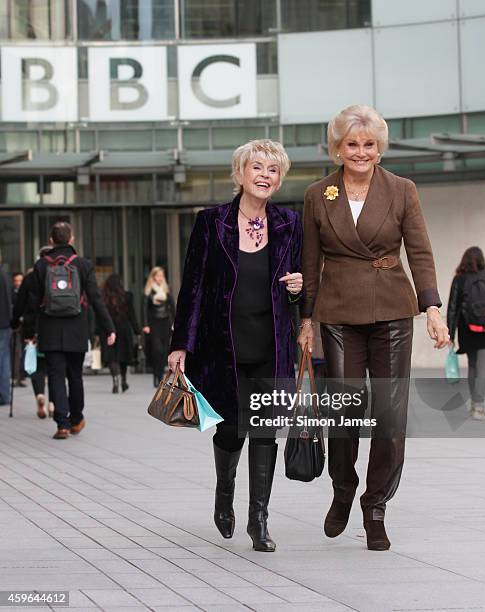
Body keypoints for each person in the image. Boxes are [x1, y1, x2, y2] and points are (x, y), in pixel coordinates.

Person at [298, 105, 450, 551]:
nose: (361, 152)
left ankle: (375, 504)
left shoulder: (402, 190)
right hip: (340, 310)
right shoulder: (317, 194)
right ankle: (343, 487)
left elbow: (420, 252)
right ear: (338, 148)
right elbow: (310, 262)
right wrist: (306, 320)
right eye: (352, 144)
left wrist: (434, 308)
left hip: (392, 310)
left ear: (379, 148)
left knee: (390, 412)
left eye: (368, 144)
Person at [168, 139, 303, 552]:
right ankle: (224, 492)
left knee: (264, 430)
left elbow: (302, 286)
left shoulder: (289, 223)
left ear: (279, 179)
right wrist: (180, 346)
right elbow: (192, 287)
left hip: (272, 343)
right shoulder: (211, 222)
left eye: (273, 170)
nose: (265, 176)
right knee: (229, 429)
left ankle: (258, 519)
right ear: (240, 173)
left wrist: (300, 289)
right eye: (257, 167)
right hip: (221, 345)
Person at [25, 222, 116, 439]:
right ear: (71, 239)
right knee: (75, 375)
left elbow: (32, 303)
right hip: (77, 328)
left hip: (49, 328)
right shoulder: (83, 265)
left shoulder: (41, 266)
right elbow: (95, 298)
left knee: (56, 375)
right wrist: (109, 327)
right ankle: (77, 419)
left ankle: (62, 424)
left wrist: (28, 331)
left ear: (51, 240)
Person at [11, 248, 54, 419]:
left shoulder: (29, 278)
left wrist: (14, 322)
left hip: (31, 327)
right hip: (53, 326)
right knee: (54, 366)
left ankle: (39, 396)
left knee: (36, 365)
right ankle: (53, 402)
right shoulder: (60, 274)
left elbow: (19, 304)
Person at [447, 247, 485, 420]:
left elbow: (452, 308)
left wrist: (450, 334)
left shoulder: (459, 279)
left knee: (472, 364)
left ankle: (475, 404)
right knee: (484, 367)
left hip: (466, 327)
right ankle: (478, 407)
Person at [101, 274, 140, 393]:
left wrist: (96, 331)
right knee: (123, 356)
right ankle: (123, 379)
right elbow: (132, 314)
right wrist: (136, 330)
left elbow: (100, 315)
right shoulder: (127, 296)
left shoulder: (104, 297)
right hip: (124, 328)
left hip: (108, 329)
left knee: (111, 356)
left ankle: (115, 379)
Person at [143, 267, 175, 387]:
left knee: (164, 351)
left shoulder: (166, 290)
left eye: (162, 276)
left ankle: (160, 375)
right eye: (157, 276)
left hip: (165, 323)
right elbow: (144, 309)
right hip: (154, 324)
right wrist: (145, 324)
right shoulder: (149, 291)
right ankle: (156, 376)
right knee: (157, 350)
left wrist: (176, 322)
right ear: (153, 277)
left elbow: (172, 307)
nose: (160, 278)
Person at [11, 271, 26, 388]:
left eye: (20, 281)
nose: (18, 283)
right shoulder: (12, 293)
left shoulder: (26, 293)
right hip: (15, 325)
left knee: (22, 351)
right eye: (16, 281)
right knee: (16, 351)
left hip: (24, 325)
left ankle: (21, 375)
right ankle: (15, 375)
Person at [0, 262, 12, 407]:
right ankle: (4, 394)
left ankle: (3, 395)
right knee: (4, 359)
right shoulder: (5, 275)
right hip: (5, 322)